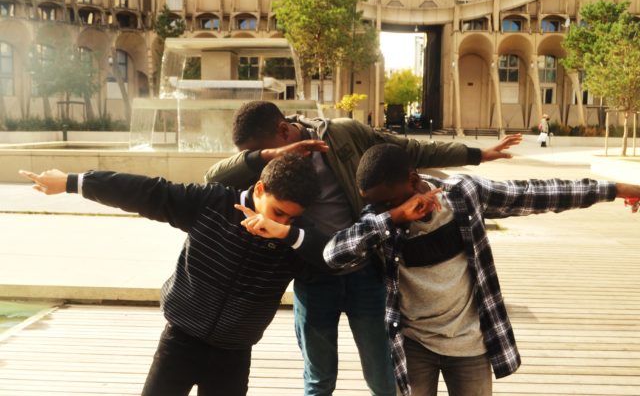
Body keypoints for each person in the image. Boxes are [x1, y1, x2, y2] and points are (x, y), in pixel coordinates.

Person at [204, 100, 522, 396]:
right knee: (318, 379)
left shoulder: (341, 134)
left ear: (284, 130)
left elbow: (408, 151)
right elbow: (213, 179)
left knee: (384, 378)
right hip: (313, 278)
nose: (266, 159)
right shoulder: (267, 157)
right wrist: (263, 157)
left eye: (266, 150)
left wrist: (476, 154)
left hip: (366, 274)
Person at [323, 143, 640, 396]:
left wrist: (616, 189)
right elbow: (333, 254)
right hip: (414, 345)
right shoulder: (380, 220)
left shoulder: (462, 195)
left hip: (470, 344)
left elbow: (536, 193)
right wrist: (392, 217)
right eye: (378, 206)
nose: (383, 209)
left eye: (390, 202)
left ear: (411, 178)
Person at [19, 154, 331, 396]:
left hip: (234, 354)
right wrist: (74, 182)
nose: (284, 220)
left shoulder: (296, 237)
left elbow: (333, 258)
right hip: (179, 342)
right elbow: (148, 192)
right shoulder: (212, 203)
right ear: (260, 189)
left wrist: (286, 233)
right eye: (278, 212)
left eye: (292, 217)